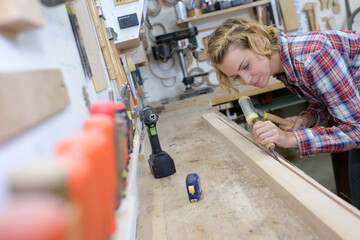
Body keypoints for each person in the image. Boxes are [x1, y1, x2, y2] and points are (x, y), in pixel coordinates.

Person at [206, 18, 360, 209]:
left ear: (259, 43)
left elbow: (356, 131)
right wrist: (308, 117)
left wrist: (290, 138)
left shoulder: (312, 57)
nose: (246, 80)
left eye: (245, 66)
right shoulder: (284, 66)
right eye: (236, 76)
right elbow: (326, 99)